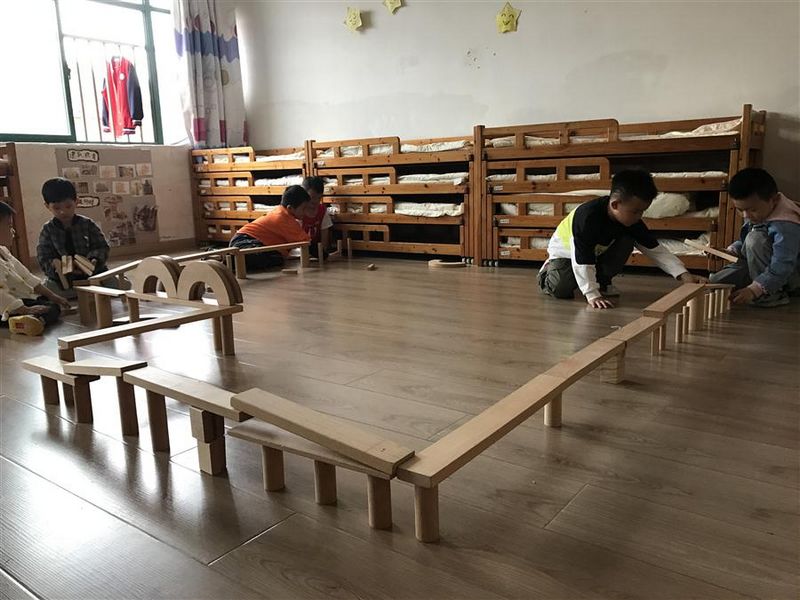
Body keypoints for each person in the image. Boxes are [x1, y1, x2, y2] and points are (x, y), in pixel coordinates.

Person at [538, 170, 705, 308]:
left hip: (594, 255)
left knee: (627, 240)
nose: (639, 216)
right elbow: (582, 258)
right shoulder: (588, 218)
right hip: (566, 255)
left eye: (642, 211)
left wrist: (683, 274)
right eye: (635, 211)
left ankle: (602, 281)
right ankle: (546, 274)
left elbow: (654, 249)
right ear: (615, 204)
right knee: (561, 288)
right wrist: (592, 294)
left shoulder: (631, 221)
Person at [709, 168, 800, 307]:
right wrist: (730, 252)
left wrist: (754, 290)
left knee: (755, 239)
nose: (746, 215)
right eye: (740, 210)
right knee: (716, 282)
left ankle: (772, 295)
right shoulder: (758, 213)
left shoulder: (786, 226)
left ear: (774, 200)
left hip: (788, 274)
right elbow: (745, 242)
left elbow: (783, 264)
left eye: (752, 210)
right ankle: (759, 286)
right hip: (761, 267)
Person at [0, 201, 71, 336]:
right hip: (4, 308)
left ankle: (30, 320)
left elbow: (27, 277)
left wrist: (53, 296)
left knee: (51, 305)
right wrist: (24, 309)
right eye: (9, 226)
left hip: (18, 301)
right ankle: (30, 321)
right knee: (49, 309)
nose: (13, 231)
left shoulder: (4, 252)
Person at [36, 177, 110, 298]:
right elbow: (43, 255)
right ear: (47, 206)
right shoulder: (48, 229)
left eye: (68, 206)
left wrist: (94, 259)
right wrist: (55, 266)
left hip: (91, 272)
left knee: (117, 283)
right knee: (47, 289)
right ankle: (79, 291)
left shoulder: (87, 224)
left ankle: (85, 290)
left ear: (76, 202)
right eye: (57, 208)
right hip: (63, 277)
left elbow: (101, 246)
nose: (63, 212)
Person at [229, 185, 311, 270]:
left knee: (277, 258)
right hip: (244, 240)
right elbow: (307, 243)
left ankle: (234, 258)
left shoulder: (282, 213)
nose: (306, 212)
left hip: (250, 241)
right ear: (290, 208)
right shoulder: (284, 218)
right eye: (304, 208)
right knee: (264, 258)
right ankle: (230, 260)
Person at [300, 176, 333, 255]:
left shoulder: (322, 211)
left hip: (316, 253)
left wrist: (322, 254)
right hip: (299, 252)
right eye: (312, 197)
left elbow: (324, 240)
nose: (315, 201)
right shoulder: (298, 212)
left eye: (319, 198)